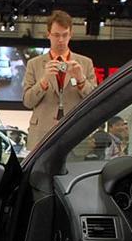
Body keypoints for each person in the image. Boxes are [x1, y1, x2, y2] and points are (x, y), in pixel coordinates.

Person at [23, 10, 97, 149]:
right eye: (56, 35)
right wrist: (43, 81)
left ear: (70, 34)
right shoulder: (34, 64)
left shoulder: (85, 63)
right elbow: (28, 102)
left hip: (75, 132)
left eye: (65, 35)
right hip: (42, 134)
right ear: (48, 34)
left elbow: (94, 100)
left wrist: (81, 80)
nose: (61, 40)